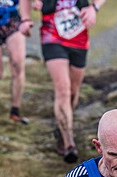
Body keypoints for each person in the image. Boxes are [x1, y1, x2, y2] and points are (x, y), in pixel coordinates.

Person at [22, 0, 106, 162]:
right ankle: (69, 143)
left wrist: (94, 8)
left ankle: (62, 126)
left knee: (73, 92)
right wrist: (25, 18)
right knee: (63, 90)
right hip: (52, 35)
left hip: (79, 36)